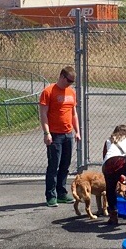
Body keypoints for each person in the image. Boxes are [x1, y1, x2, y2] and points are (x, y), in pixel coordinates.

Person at [39, 65, 80, 207]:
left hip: (68, 134)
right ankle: (51, 196)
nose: (70, 84)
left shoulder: (71, 93)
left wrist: (77, 131)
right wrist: (47, 133)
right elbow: (43, 114)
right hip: (55, 135)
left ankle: (61, 193)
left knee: (65, 165)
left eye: (72, 82)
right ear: (62, 77)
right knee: (54, 166)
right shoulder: (48, 91)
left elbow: (73, 113)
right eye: (69, 81)